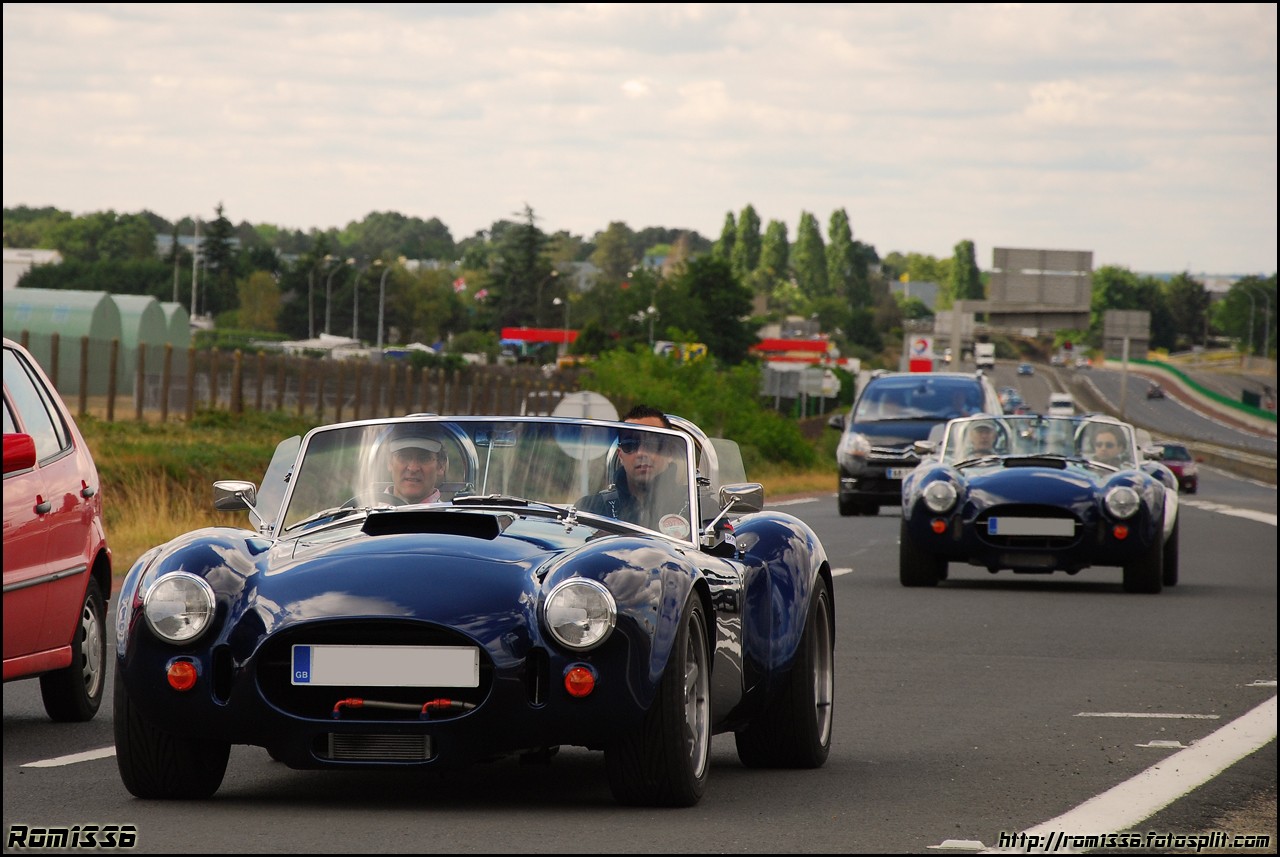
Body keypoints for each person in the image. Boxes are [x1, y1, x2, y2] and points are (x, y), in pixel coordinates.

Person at [577, 405, 681, 530]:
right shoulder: (591, 509)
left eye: (653, 444)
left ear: (669, 452)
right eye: (630, 445)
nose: (641, 453)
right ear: (620, 455)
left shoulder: (697, 508)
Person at [379, 423, 448, 504]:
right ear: (390, 462)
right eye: (403, 456)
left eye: (424, 458)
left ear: (441, 465)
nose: (413, 468)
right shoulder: (364, 512)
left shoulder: (453, 516)